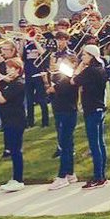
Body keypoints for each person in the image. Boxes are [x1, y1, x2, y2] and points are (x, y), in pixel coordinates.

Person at [70, 44, 108, 190]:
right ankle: (102, 175)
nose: (82, 57)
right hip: (99, 108)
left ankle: (98, 176)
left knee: (95, 144)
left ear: (91, 56)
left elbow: (73, 81)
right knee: (101, 143)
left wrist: (78, 70)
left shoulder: (90, 71)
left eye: (85, 55)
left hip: (92, 109)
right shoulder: (100, 69)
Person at [0, 59, 28, 192]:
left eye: (9, 68)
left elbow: (2, 99)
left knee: (16, 150)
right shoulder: (11, 83)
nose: (7, 71)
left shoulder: (19, 83)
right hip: (8, 120)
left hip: (16, 120)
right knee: (12, 150)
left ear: (17, 69)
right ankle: (15, 178)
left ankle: (19, 179)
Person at [47, 50, 79, 190]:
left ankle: (62, 176)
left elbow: (52, 89)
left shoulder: (70, 78)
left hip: (67, 110)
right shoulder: (63, 77)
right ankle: (71, 173)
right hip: (61, 109)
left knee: (65, 144)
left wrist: (52, 83)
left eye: (66, 63)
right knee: (67, 143)